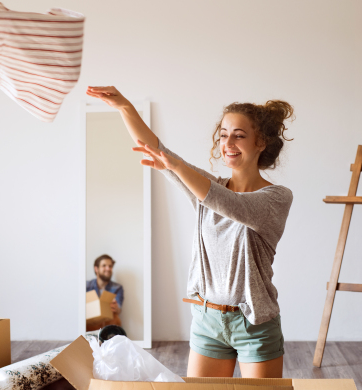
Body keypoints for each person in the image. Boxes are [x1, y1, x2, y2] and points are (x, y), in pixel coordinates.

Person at [86, 86, 294, 379]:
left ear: (261, 142)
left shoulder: (276, 198)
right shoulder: (204, 187)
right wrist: (124, 107)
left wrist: (176, 166)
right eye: (223, 134)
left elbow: (229, 204)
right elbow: (158, 149)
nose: (228, 142)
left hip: (254, 324)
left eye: (239, 134)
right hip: (207, 320)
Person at [86, 254, 124, 331]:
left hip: (109, 327)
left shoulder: (118, 288)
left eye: (110, 266)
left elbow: (119, 309)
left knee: (115, 317)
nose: (108, 268)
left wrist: (116, 308)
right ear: (96, 269)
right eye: (104, 265)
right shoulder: (86, 286)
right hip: (90, 326)